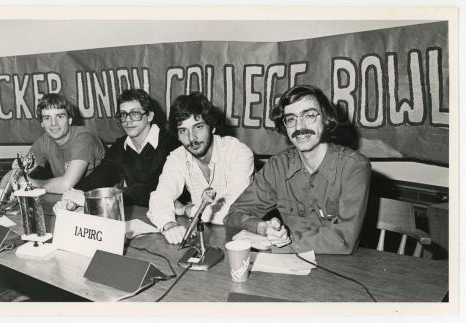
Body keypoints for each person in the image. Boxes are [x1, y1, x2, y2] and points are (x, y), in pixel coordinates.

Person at [225, 85, 372, 254]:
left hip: (345, 268)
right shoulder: (277, 166)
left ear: (325, 118)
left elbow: (343, 240)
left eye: (309, 115)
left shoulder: (354, 167)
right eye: (291, 119)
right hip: (290, 267)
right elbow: (234, 214)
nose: (299, 126)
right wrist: (261, 227)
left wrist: (272, 244)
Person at [148, 92, 255, 244]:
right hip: (207, 237)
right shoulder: (177, 157)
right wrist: (168, 224)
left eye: (198, 127)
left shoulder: (238, 152)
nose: (192, 138)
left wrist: (186, 210)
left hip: (245, 240)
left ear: (212, 127)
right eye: (183, 130)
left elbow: (233, 211)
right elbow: (159, 198)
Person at [54, 89, 180, 209]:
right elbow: (97, 179)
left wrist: (97, 199)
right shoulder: (120, 147)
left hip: (177, 215)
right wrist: (71, 198)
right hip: (140, 214)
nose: (128, 120)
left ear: (150, 116)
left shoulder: (171, 144)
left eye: (135, 113)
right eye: (123, 114)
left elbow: (153, 188)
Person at [0, 93, 106, 197]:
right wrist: (3, 192)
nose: (53, 123)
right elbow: (16, 173)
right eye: (47, 118)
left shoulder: (83, 137)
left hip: (103, 199)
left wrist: (30, 182)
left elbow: (66, 185)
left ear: (70, 120)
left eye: (59, 116)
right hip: (71, 199)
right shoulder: (44, 142)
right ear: (42, 123)